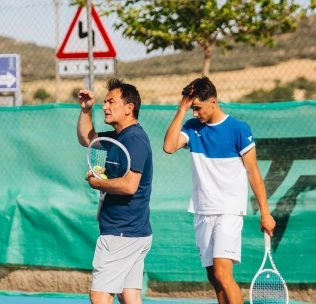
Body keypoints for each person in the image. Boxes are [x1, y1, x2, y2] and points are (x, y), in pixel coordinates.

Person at [163, 76, 276, 304]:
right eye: (192, 108)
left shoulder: (238, 129)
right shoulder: (191, 127)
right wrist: (182, 108)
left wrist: (265, 212)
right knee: (214, 279)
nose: (195, 113)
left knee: (223, 274)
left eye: (198, 108)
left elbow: (254, 173)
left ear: (213, 101)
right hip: (202, 211)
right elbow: (168, 147)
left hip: (229, 211)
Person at [77, 78, 153, 304]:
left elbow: (130, 185)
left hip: (121, 233)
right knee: (130, 297)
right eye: (105, 101)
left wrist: (97, 182)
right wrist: (86, 110)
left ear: (129, 108)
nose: (105, 106)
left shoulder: (134, 139)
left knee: (99, 296)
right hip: (134, 232)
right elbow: (87, 139)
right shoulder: (117, 137)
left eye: (112, 101)